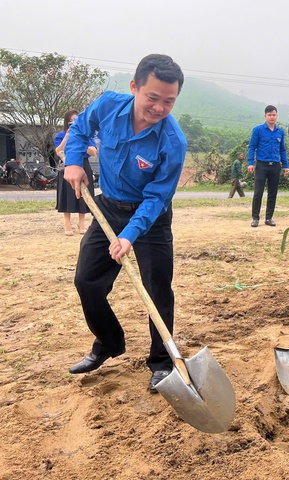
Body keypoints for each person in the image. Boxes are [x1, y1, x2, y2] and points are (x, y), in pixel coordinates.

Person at [63, 54, 187, 395]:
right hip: (108, 206)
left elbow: (157, 197)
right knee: (87, 281)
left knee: (157, 290)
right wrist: (74, 162)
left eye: (169, 101)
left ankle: (162, 363)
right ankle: (109, 343)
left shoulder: (172, 141)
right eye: (153, 97)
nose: (160, 107)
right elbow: (79, 129)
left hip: (152, 220)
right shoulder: (108, 106)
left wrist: (130, 234)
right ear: (134, 87)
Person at [54, 109, 97, 236]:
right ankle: (67, 223)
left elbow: (93, 152)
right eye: (71, 122)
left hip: (83, 164)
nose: (74, 124)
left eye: (76, 121)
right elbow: (58, 151)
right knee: (67, 194)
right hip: (67, 164)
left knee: (84, 194)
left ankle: (81, 223)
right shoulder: (61, 135)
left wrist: (80, 142)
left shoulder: (86, 135)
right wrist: (67, 138)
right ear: (66, 123)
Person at [247, 105, 289, 227]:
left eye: (274, 115)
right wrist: (250, 163)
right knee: (258, 192)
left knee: (272, 193)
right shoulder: (258, 130)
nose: (272, 117)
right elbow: (252, 147)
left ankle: (269, 218)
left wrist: (286, 166)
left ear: (277, 116)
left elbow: (283, 150)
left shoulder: (280, 132)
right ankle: (255, 218)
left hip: (275, 166)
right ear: (265, 116)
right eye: (269, 115)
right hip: (261, 165)